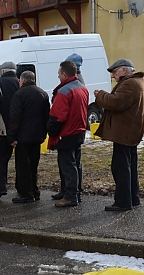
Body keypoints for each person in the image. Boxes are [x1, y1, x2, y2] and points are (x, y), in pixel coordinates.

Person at [94, 58, 144, 212]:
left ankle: (123, 201)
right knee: (130, 166)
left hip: (125, 133)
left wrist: (100, 95)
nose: (113, 76)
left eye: (114, 72)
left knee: (121, 167)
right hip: (130, 131)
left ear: (125, 70)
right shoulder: (136, 82)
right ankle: (133, 198)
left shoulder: (130, 84)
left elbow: (116, 103)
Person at [47, 61, 89, 208]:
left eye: (59, 73)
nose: (58, 76)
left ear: (64, 74)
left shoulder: (64, 92)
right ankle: (73, 192)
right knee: (76, 163)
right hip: (79, 131)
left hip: (66, 132)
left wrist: (51, 130)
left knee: (67, 165)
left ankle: (70, 196)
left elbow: (58, 116)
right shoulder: (82, 88)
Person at [8, 71, 50, 203]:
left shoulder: (19, 94)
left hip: (23, 136)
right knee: (33, 164)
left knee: (23, 165)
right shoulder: (43, 93)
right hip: (37, 136)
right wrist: (44, 134)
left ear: (22, 81)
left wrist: (12, 136)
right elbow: (46, 116)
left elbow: (15, 116)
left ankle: (26, 193)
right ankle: (34, 190)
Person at [0, 61, 20, 198]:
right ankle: (22, 188)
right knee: (21, 160)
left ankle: (1, 187)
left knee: (1, 159)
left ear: (3, 71)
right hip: (20, 128)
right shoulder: (20, 82)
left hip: (4, 127)